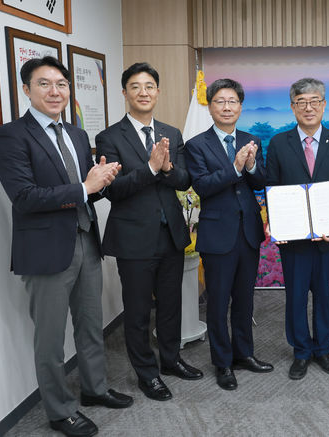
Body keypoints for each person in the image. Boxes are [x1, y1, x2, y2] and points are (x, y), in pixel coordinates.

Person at [0, 56, 131, 437]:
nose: (55, 92)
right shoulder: (9, 136)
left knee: (91, 325)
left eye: (61, 84)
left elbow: (84, 191)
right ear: (26, 89)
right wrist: (86, 187)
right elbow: (24, 196)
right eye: (44, 84)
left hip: (86, 239)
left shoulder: (76, 133)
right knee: (51, 338)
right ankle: (59, 410)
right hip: (47, 251)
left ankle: (95, 389)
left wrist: (101, 182)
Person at [95, 62, 203, 402]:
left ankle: (170, 360)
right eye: (136, 86)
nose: (144, 92)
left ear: (158, 91)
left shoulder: (170, 132)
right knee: (139, 310)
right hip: (133, 239)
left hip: (170, 233)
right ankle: (147, 373)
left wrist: (168, 168)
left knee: (171, 305)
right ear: (124, 92)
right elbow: (114, 190)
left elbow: (185, 181)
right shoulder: (109, 137)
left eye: (150, 86)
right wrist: (152, 167)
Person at [184, 78, 274, 391]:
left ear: (240, 106)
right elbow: (202, 186)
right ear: (210, 106)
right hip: (217, 233)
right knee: (218, 302)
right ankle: (222, 363)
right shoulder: (196, 145)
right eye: (220, 101)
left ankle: (244, 354)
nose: (226, 107)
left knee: (245, 300)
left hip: (247, 232)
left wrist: (249, 168)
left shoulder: (251, 139)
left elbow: (260, 181)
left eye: (232, 101)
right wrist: (235, 168)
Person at [266, 77, 329, 380]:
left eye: (315, 101)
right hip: (295, 241)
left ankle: (323, 349)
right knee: (297, 297)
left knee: (325, 295)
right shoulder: (278, 143)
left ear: (324, 105)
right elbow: (272, 189)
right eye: (301, 102)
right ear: (292, 107)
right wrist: (277, 224)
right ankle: (301, 351)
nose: (309, 107)